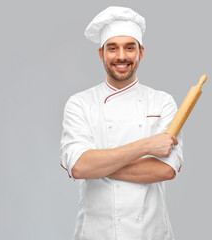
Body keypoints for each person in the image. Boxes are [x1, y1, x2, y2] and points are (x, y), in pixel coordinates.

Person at [60, 6, 183, 240]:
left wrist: (99, 166)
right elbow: (79, 167)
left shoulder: (162, 102)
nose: (121, 56)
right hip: (97, 233)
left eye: (129, 47)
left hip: (150, 232)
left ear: (141, 52)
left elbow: (166, 169)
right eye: (112, 48)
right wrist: (146, 146)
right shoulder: (80, 104)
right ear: (101, 53)